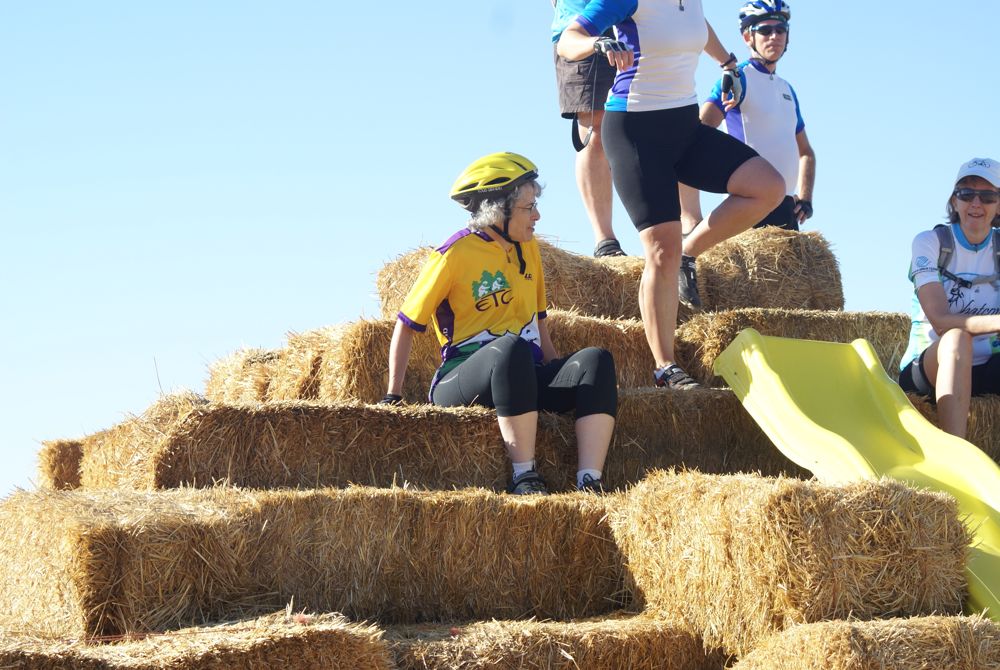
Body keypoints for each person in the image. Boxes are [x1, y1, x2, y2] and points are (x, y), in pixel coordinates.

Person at [556, 0, 786, 389]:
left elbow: (697, 27)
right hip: (634, 132)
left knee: (768, 187)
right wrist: (598, 44)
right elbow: (568, 39)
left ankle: (690, 251)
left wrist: (728, 63)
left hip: (684, 128)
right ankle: (665, 366)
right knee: (662, 251)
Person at [380, 152, 618, 494]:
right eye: (528, 207)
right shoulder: (454, 254)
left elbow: (539, 324)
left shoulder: (528, 249)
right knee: (510, 348)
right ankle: (524, 476)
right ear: (497, 210)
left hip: (522, 376)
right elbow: (406, 324)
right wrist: (393, 395)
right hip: (462, 379)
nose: (537, 215)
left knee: (596, 360)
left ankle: (589, 482)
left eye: (536, 205)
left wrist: (561, 372)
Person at [680, 0, 815, 234]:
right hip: (747, 205)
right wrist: (691, 217)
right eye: (765, 30)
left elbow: (806, 152)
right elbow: (695, 136)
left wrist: (805, 198)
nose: (774, 36)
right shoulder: (738, 77)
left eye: (780, 29)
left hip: (785, 212)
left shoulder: (787, 89)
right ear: (747, 37)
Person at [899, 158, 1000, 439]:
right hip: (930, 370)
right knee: (957, 338)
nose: (976, 203)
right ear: (954, 202)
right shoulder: (930, 242)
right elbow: (941, 321)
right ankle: (957, 453)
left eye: (987, 196)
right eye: (966, 194)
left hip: (986, 368)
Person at [551, 0, 624, 258]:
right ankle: (605, 240)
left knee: (657, 127)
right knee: (595, 131)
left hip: (640, 29)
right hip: (580, 30)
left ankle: (684, 227)